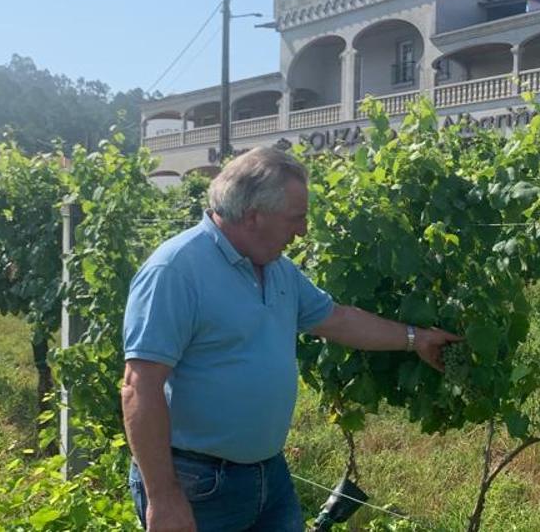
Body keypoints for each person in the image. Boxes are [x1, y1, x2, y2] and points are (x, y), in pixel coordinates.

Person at [121, 146, 462, 532]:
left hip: (270, 474)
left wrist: (415, 338)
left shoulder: (278, 270)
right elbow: (140, 387)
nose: (302, 232)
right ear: (254, 217)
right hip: (198, 485)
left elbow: (338, 319)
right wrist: (163, 499)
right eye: (296, 219)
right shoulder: (176, 270)